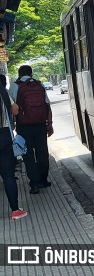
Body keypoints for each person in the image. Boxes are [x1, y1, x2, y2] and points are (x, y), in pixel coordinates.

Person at [10, 65, 54, 195]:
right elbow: (47, 105)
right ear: (31, 73)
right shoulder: (39, 85)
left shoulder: (15, 86)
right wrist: (49, 124)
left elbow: (13, 108)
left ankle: (34, 184)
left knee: (28, 155)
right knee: (42, 153)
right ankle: (44, 180)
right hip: (40, 125)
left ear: (19, 74)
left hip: (23, 127)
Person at [0, 73, 28, 219]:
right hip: (3, 136)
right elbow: (15, 109)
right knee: (8, 175)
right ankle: (15, 210)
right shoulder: (2, 91)